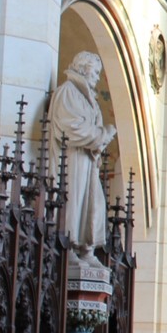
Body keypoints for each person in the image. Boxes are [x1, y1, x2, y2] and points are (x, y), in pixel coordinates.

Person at [48, 51, 116, 257]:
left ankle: (86, 250)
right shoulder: (68, 91)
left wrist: (102, 137)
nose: (97, 76)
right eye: (95, 72)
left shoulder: (89, 99)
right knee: (73, 200)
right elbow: (70, 127)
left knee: (93, 203)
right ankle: (67, 247)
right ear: (83, 69)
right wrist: (102, 134)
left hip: (88, 162)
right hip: (71, 160)